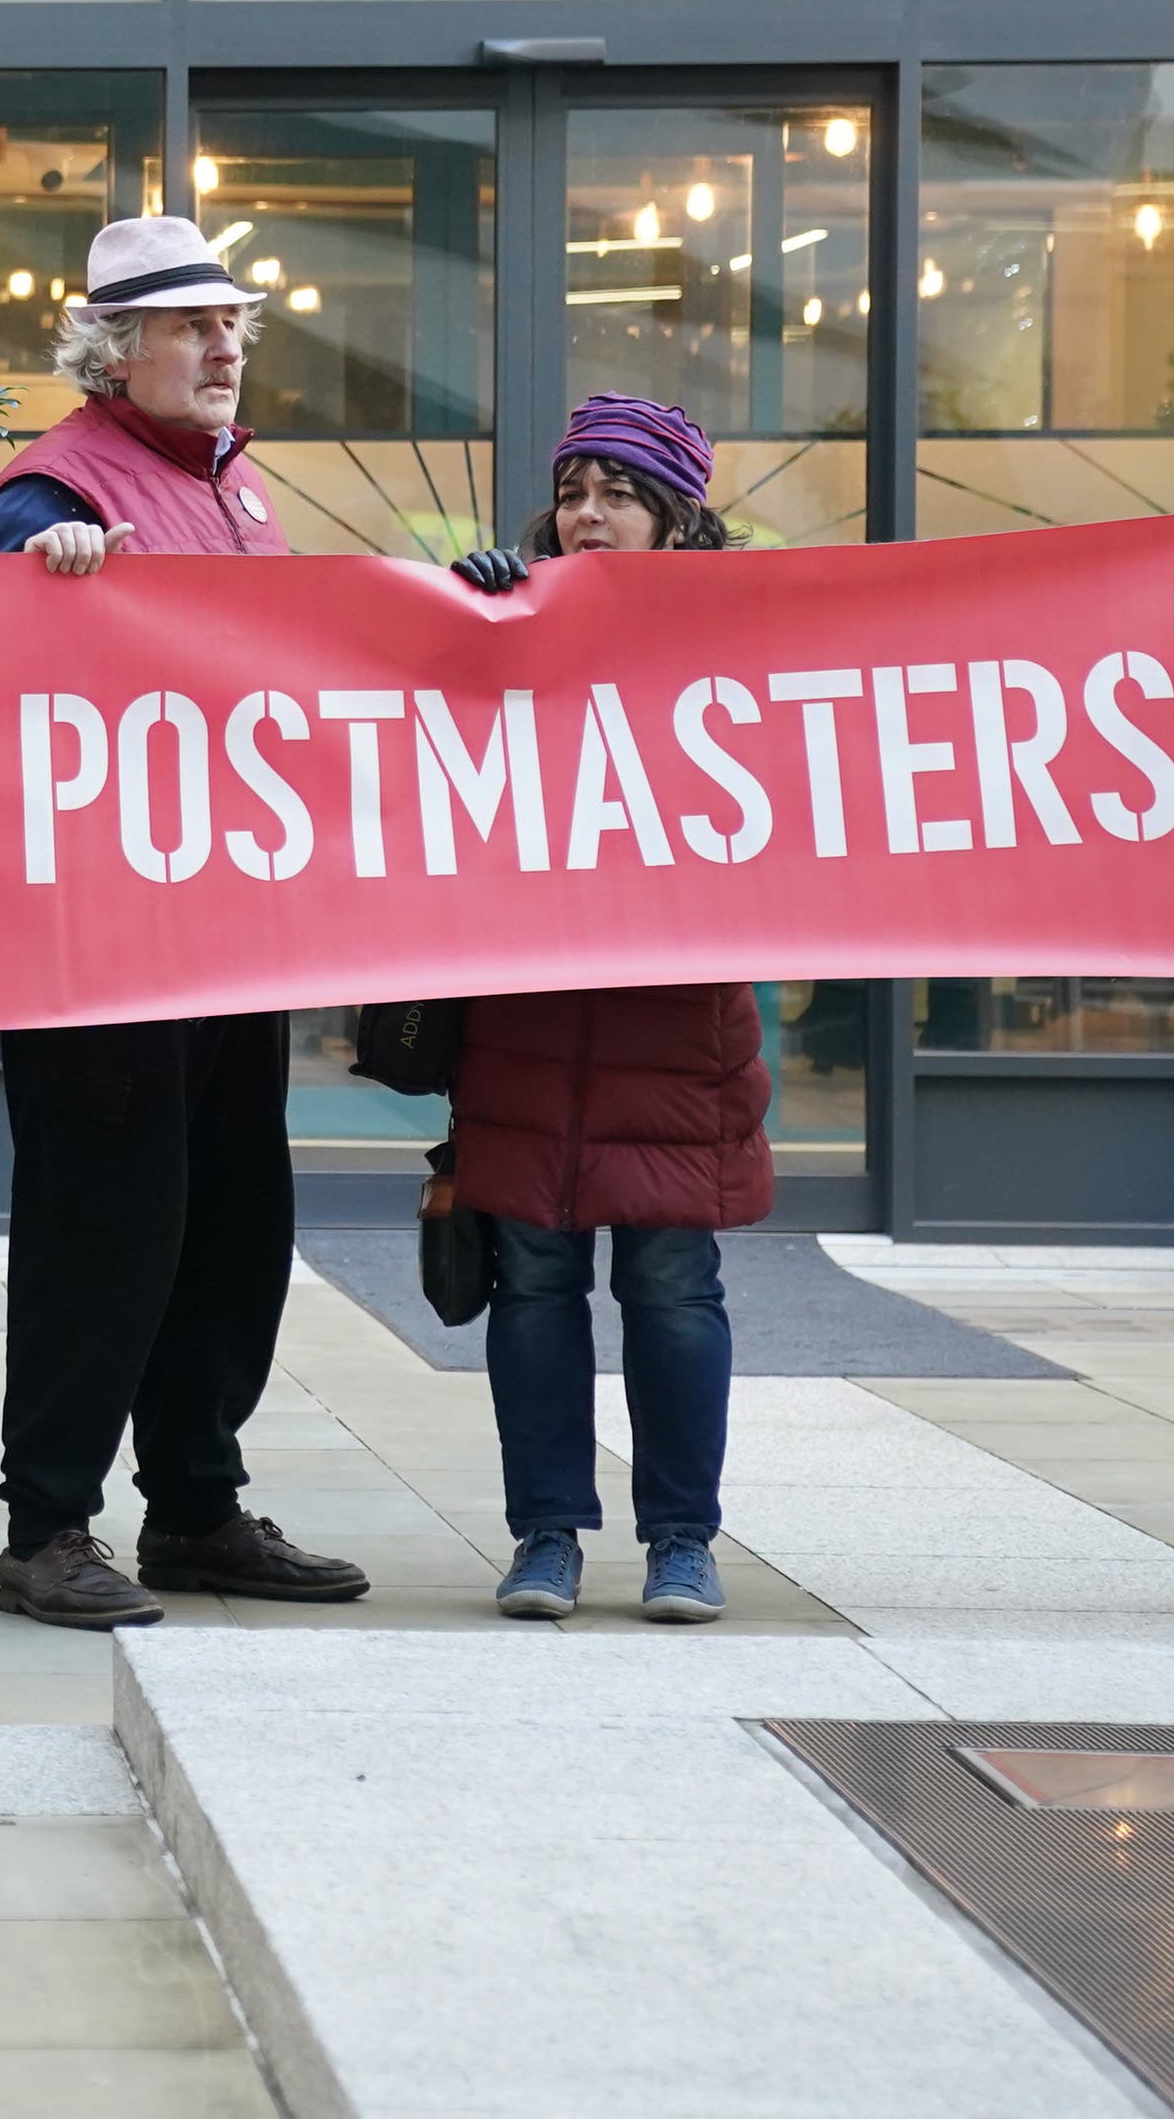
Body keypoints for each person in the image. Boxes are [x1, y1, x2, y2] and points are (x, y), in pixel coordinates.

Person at [0, 217, 371, 1629]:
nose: (219, 347)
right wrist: (47, 564)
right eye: (189, 326)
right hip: (98, 954)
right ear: (110, 348)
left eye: (228, 324)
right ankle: (46, 1527)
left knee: (227, 1228)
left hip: (227, 935)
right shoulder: (48, 491)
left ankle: (194, 1504)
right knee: (101, 1232)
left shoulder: (233, 488)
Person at [445, 394, 771, 1624]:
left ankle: (680, 1539)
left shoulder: (747, 639)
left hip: (671, 1027)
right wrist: (468, 607)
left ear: (677, 521)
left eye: (617, 494)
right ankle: (546, 1536)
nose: (586, 514)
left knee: (671, 1283)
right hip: (528, 1016)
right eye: (573, 489)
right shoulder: (500, 608)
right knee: (530, 1281)